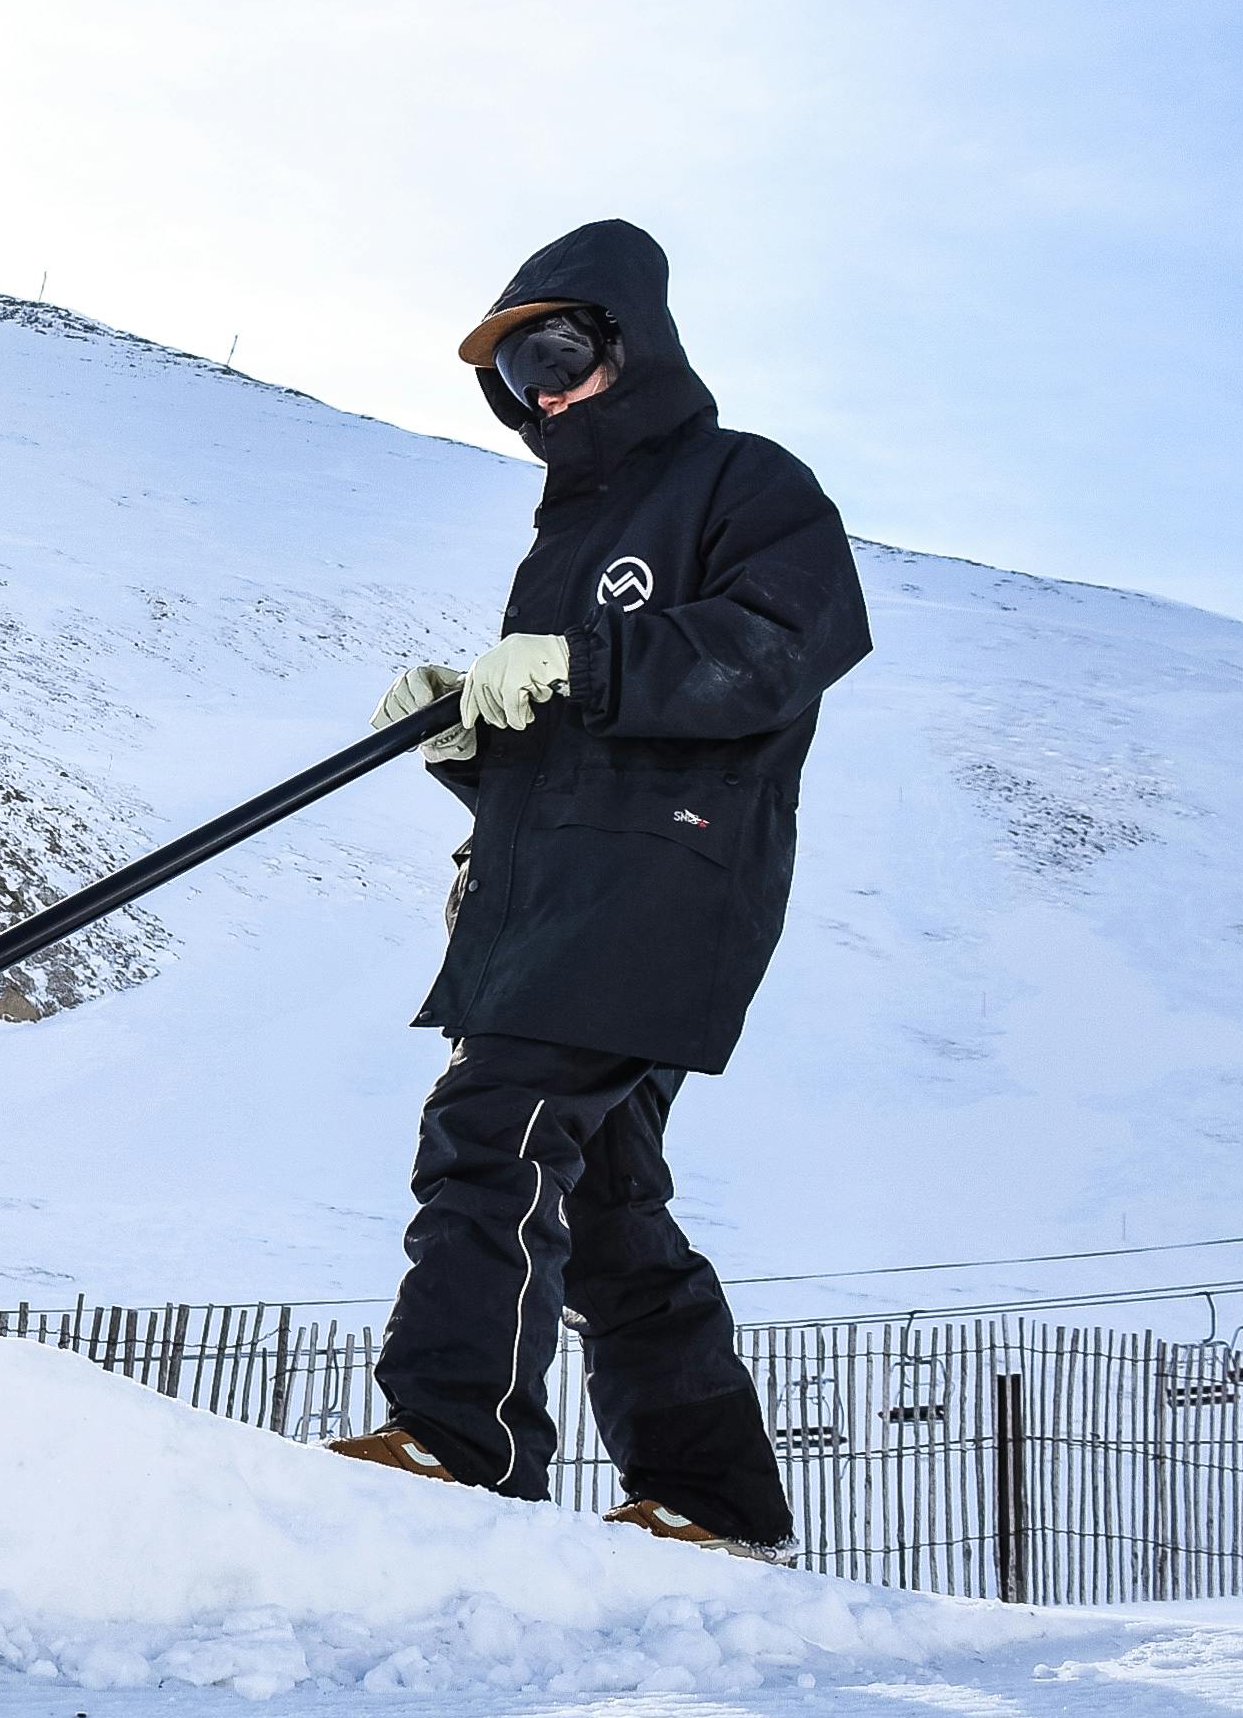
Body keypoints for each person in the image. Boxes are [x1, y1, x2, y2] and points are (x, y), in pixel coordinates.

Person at [333, 219, 870, 1554]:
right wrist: (472, 743)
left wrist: (583, 664)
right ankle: (714, 1499)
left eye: (561, 350)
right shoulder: (566, 539)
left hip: (662, 894)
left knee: (495, 1123)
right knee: (607, 1208)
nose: (546, 389)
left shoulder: (742, 483)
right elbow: (579, 765)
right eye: (516, 376)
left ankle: (457, 1443)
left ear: (630, 339)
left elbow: (787, 641)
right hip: (570, 902)